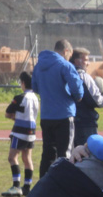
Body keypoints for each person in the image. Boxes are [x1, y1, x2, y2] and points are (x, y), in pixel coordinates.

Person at [33, 39, 84, 178]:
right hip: (64, 114)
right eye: (70, 55)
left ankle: (43, 186)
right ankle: (64, 186)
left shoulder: (38, 66)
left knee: (48, 154)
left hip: (46, 115)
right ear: (66, 51)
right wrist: (75, 97)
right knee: (66, 154)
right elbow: (78, 90)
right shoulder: (65, 65)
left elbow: (35, 87)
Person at [3, 72, 38, 197]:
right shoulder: (35, 97)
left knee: (12, 157)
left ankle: (16, 186)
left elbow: (7, 113)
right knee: (27, 158)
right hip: (31, 131)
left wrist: (15, 117)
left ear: (22, 83)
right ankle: (27, 187)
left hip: (20, 131)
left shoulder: (19, 97)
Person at [70, 48, 103, 148]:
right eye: (86, 60)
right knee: (87, 154)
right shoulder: (83, 76)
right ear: (77, 61)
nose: (88, 63)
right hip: (85, 121)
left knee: (72, 155)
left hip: (69, 121)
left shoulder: (65, 74)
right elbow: (96, 100)